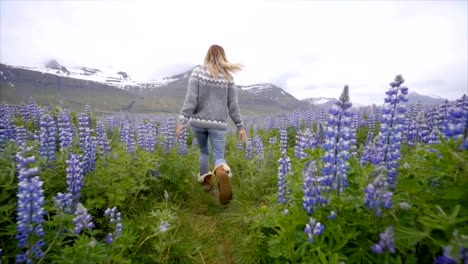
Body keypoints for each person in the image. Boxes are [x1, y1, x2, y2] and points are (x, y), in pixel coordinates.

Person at [175, 44, 248, 205]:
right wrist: (240, 126)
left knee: (203, 150)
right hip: (218, 124)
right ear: (223, 56)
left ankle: (206, 183)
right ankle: (221, 172)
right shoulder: (228, 77)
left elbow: (191, 100)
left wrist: (182, 121)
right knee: (218, 156)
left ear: (208, 55)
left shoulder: (197, 72)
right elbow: (233, 105)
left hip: (198, 123)